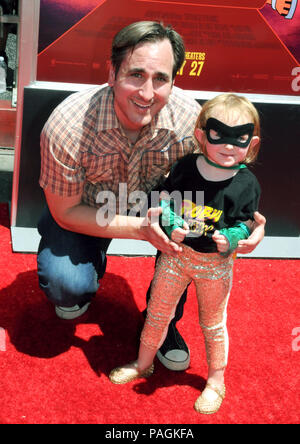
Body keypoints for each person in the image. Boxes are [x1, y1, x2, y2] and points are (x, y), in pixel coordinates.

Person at [37, 21, 266, 373]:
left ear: (174, 80)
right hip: (89, 210)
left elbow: (226, 183)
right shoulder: (66, 124)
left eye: (160, 78)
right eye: (136, 75)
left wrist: (247, 227)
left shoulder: (193, 122)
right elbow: (65, 210)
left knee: (193, 241)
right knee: (66, 285)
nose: (147, 92)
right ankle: (86, 265)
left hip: (166, 212)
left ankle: (164, 323)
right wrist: (140, 228)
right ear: (111, 73)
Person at [109, 93, 262, 415]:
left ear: (252, 142)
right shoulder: (185, 167)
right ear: (201, 135)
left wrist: (234, 236)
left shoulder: (247, 182)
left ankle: (216, 381)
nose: (230, 146)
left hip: (215, 266)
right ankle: (143, 362)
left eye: (241, 138)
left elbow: (249, 220)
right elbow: (164, 200)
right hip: (176, 257)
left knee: (213, 324)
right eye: (220, 135)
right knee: (157, 313)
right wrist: (171, 221)